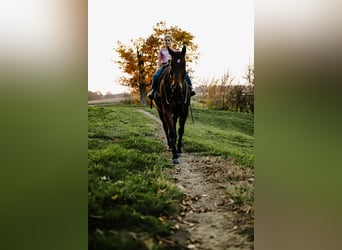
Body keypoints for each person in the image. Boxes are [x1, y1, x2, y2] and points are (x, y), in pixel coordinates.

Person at [148, 35, 196, 99]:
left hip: (174, 66)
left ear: (171, 41)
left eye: (168, 40)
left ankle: (190, 87)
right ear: (164, 42)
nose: (167, 42)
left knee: (186, 74)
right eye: (166, 40)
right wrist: (158, 67)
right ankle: (153, 90)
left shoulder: (175, 51)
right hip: (165, 65)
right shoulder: (162, 50)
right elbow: (159, 60)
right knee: (156, 75)